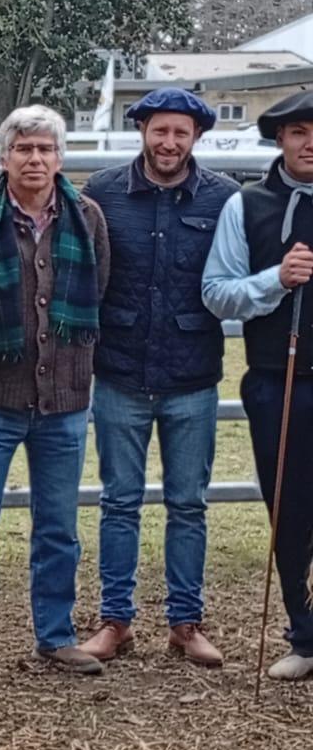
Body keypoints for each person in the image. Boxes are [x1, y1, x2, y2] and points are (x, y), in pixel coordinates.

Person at [78, 89, 236, 669]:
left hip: (191, 373)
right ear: (142, 129)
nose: (169, 143)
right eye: (160, 130)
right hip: (119, 369)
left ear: (197, 138)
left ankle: (185, 621)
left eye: (181, 133)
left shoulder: (225, 198)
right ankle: (116, 620)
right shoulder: (101, 193)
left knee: (189, 504)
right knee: (118, 501)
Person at [0, 105, 110, 676]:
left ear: (60, 157)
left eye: (45, 149)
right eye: (23, 149)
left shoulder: (87, 218)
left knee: (58, 525)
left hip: (65, 400)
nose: (35, 159)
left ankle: (55, 633)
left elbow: (100, 290)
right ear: (4, 157)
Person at [202, 90, 313, 681]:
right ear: (280, 139)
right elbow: (217, 290)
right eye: (299, 131)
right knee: (289, 507)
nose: (311, 142)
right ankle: (304, 631)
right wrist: (276, 278)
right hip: (280, 378)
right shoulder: (248, 205)